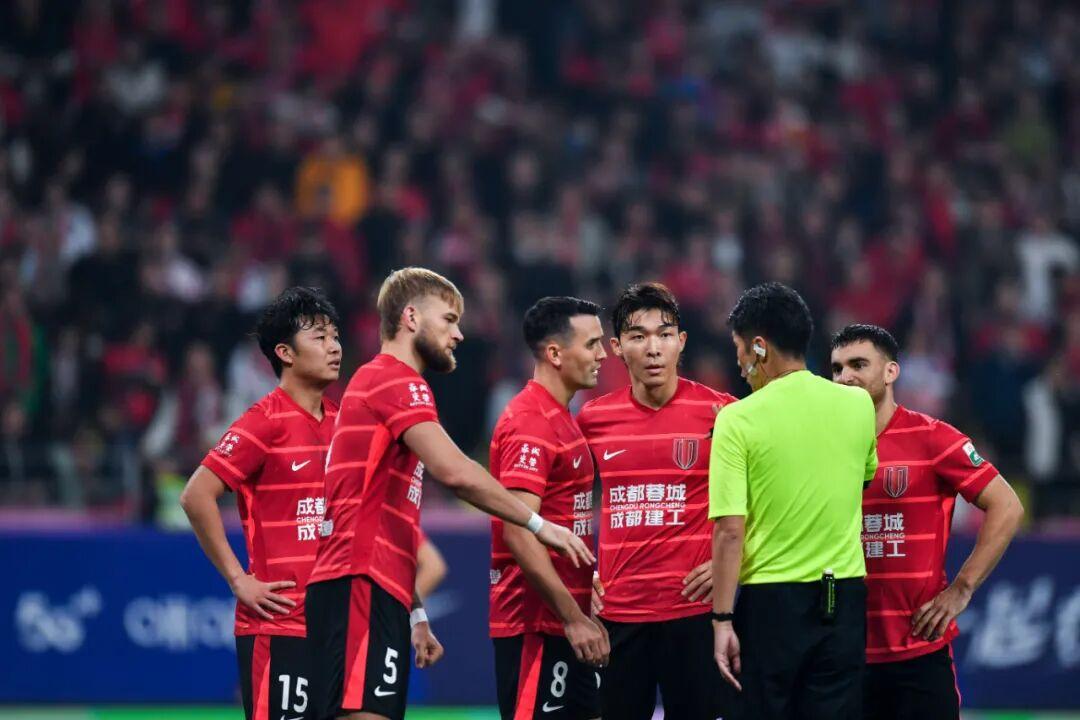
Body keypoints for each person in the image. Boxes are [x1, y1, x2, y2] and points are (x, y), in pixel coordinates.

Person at [304, 268, 594, 720]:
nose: (458, 334)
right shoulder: (395, 380)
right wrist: (539, 524)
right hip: (360, 582)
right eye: (449, 319)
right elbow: (455, 472)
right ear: (411, 317)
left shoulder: (378, 383)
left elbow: (378, 510)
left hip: (369, 584)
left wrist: (416, 614)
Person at [830, 324, 1024, 720]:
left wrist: (962, 588)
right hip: (842, 654)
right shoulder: (823, 445)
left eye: (858, 364)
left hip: (918, 653)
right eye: (837, 368)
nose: (845, 376)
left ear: (891, 371)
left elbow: (1007, 506)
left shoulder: (933, 438)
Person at [709, 282, 877, 720]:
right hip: (843, 600)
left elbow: (729, 532)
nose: (739, 363)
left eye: (740, 349)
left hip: (771, 605)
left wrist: (722, 619)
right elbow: (861, 479)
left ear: (759, 348)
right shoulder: (858, 405)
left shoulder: (737, 420)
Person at [179, 287, 343, 720]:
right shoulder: (263, 421)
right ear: (285, 353)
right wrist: (239, 579)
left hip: (336, 629)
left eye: (335, 336)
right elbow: (196, 495)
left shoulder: (344, 424)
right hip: (279, 626)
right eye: (320, 337)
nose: (334, 347)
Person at [577, 282, 736, 719]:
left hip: (694, 614)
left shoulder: (723, 413)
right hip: (618, 615)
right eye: (638, 336)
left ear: (681, 342)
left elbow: (768, 497)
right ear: (616, 347)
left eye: (664, 335)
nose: (653, 348)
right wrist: (578, 575)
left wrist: (732, 561)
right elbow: (566, 504)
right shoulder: (593, 419)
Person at [489, 296, 610, 720]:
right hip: (534, 625)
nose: (603, 354)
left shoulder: (561, 417)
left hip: (566, 619)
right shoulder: (530, 422)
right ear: (555, 354)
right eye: (592, 344)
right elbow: (519, 531)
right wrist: (573, 618)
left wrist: (584, 586)